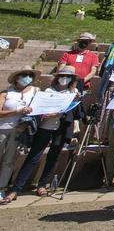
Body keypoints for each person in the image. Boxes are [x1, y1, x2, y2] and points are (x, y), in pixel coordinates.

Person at [2, 66, 81, 202]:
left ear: (72, 79)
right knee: (34, 157)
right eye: (62, 76)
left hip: (61, 128)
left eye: (68, 77)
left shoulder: (74, 91)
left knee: (53, 156)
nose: (64, 79)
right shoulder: (49, 90)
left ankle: (43, 184)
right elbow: (39, 108)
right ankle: (16, 188)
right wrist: (46, 114)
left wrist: (77, 100)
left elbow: (75, 111)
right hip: (45, 126)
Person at [0, 67, 38, 200]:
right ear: (17, 77)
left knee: (9, 160)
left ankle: (2, 188)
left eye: (29, 75)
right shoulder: (6, 93)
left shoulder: (34, 92)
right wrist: (17, 111)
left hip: (19, 129)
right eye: (24, 75)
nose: (27, 77)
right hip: (2, 128)